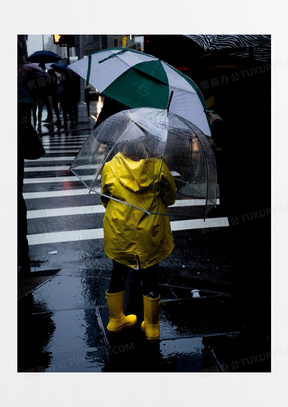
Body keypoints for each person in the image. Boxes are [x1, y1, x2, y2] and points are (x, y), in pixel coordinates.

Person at [101, 140, 176, 341]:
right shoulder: (158, 166)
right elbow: (170, 197)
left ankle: (115, 320)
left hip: (120, 231)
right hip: (150, 232)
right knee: (150, 275)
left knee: (118, 273)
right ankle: (152, 327)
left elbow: (105, 198)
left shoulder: (110, 167)